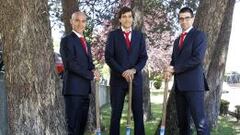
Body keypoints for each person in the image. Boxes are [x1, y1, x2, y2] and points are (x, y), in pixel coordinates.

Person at [164, 7, 210, 135]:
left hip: (194, 86)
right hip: (180, 87)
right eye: (181, 19)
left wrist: (175, 68)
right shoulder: (177, 41)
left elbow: (197, 59)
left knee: (200, 124)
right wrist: (169, 70)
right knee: (183, 125)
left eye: (187, 18)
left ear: (192, 19)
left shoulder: (199, 35)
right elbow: (174, 61)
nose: (184, 21)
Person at [105, 6, 148, 135]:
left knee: (138, 113)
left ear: (133, 19)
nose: (127, 19)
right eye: (124, 16)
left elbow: (143, 57)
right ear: (120, 19)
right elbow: (109, 57)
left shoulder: (139, 36)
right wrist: (123, 71)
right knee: (116, 113)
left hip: (135, 79)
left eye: (129, 16)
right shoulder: (113, 36)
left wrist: (134, 70)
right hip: (118, 80)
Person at [60, 11, 99, 135]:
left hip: (84, 91)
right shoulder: (66, 40)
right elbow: (70, 64)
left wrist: (94, 70)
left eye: (83, 21)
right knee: (73, 128)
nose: (80, 23)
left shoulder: (85, 42)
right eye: (77, 20)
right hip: (73, 91)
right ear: (71, 22)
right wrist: (90, 75)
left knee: (81, 128)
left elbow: (89, 64)